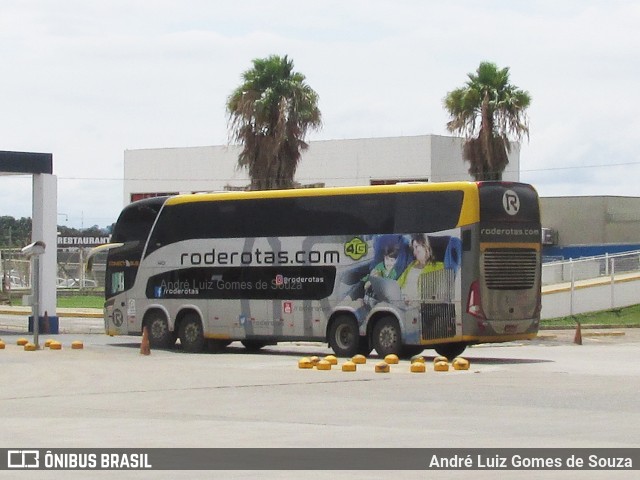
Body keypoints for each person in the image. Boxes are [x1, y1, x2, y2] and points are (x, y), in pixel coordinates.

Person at [397, 233, 444, 300]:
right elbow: (398, 284)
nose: (414, 252)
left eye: (416, 247)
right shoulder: (412, 264)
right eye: (413, 249)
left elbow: (438, 293)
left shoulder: (439, 266)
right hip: (402, 299)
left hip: (417, 303)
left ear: (425, 246)